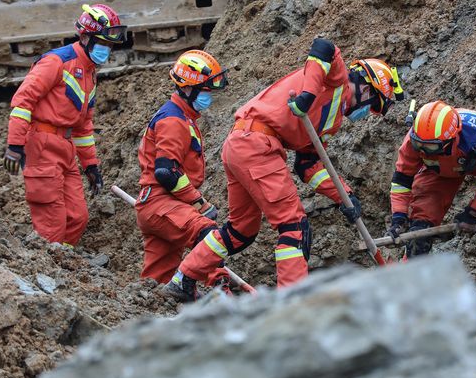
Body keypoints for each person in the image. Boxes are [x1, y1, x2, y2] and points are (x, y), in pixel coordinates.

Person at [164, 37, 403, 301]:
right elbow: (324, 47)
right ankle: (291, 306)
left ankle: (183, 279)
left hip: (240, 145)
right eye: (373, 105)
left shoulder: (331, 121)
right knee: (294, 227)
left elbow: (308, 165)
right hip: (257, 145)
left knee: (240, 231)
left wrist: (344, 196)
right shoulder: (336, 81)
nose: (368, 113)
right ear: (367, 90)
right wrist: (307, 96)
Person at [2, 4, 124, 246]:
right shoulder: (56, 61)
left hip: (65, 147)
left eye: (110, 45)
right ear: (86, 36)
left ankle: (63, 267)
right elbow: (22, 102)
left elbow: (83, 126)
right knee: (52, 221)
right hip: (42, 145)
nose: (106, 49)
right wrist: (15, 145)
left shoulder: (89, 71)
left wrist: (91, 165)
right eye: (103, 42)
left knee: (77, 217)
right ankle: (48, 272)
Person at [135, 50, 228, 283]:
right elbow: (167, 172)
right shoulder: (174, 120)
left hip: (159, 205)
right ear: (187, 88)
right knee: (209, 236)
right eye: (205, 90)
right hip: (162, 203)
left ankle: (153, 311)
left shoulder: (182, 116)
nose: (209, 96)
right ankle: (222, 295)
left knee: (158, 280)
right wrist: (199, 203)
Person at [385, 101, 476, 257]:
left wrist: (473, 212)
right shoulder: (416, 138)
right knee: (420, 228)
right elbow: (402, 180)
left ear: (451, 138)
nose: (424, 150)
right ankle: (414, 261)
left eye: (430, 147)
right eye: (420, 145)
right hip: (439, 172)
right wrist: (399, 217)